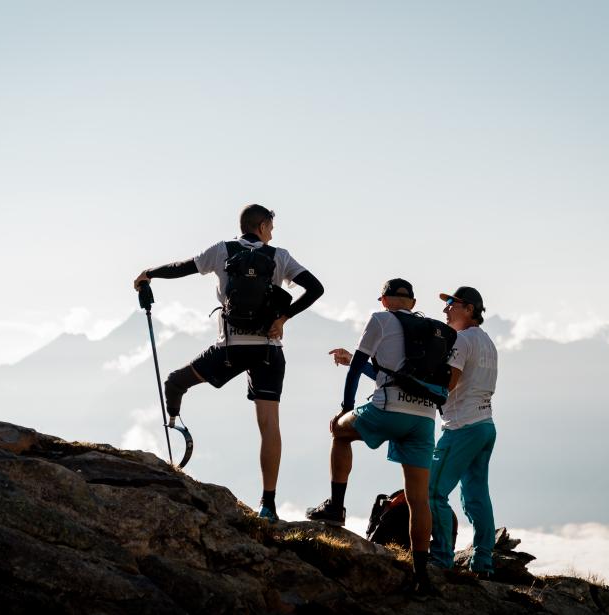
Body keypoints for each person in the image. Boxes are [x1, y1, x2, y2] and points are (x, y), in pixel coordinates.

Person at [133, 204, 323, 521]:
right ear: (262, 226)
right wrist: (284, 317)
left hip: (230, 348)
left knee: (175, 382)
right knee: (269, 426)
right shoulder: (280, 256)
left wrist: (149, 273)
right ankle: (268, 505)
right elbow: (315, 288)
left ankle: (175, 428)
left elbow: (183, 267)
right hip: (268, 351)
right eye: (271, 227)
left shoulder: (222, 250)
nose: (272, 234)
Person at [306, 279, 439, 595]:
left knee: (339, 433)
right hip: (424, 418)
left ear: (383, 300)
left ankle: (335, 508)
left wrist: (345, 408)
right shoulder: (431, 329)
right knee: (419, 499)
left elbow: (358, 370)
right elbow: (393, 374)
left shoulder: (380, 320)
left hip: (387, 408)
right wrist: (349, 357)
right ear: (413, 301)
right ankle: (422, 576)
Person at [428, 286, 498, 576]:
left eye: (452, 304)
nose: (446, 310)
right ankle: (483, 561)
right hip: (485, 425)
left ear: (469, 310)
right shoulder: (488, 343)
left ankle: (441, 557)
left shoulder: (461, 341)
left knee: (432, 491)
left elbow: (448, 384)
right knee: (476, 495)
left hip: (461, 427)